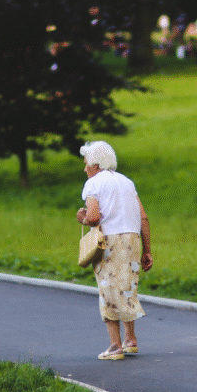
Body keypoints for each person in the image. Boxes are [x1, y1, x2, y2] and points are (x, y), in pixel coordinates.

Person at [75, 141, 154, 361]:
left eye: (86, 164)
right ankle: (131, 340)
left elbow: (93, 217)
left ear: (96, 164)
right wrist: (147, 250)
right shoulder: (127, 182)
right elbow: (144, 218)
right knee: (127, 287)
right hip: (132, 239)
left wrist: (82, 218)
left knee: (108, 289)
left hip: (110, 241)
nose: (85, 169)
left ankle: (114, 346)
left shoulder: (93, 184)